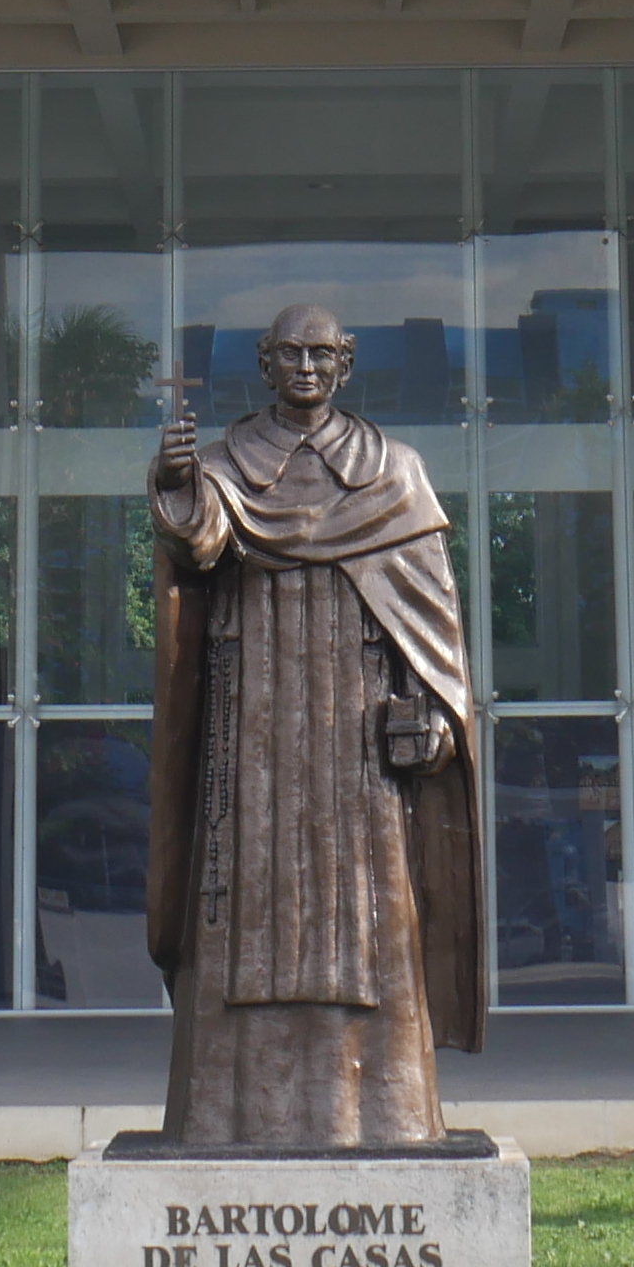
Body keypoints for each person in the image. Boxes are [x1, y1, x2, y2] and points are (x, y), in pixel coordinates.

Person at [144, 305, 485, 1144]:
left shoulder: (395, 474)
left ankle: (386, 1116)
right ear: (265, 363)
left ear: (347, 362)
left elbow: (430, 624)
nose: (306, 367)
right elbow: (201, 545)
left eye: (322, 353)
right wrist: (180, 484)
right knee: (243, 914)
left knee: (370, 916)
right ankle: (232, 1118)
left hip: (356, 741)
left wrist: (439, 716)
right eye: (290, 353)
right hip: (251, 732)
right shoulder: (225, 467)